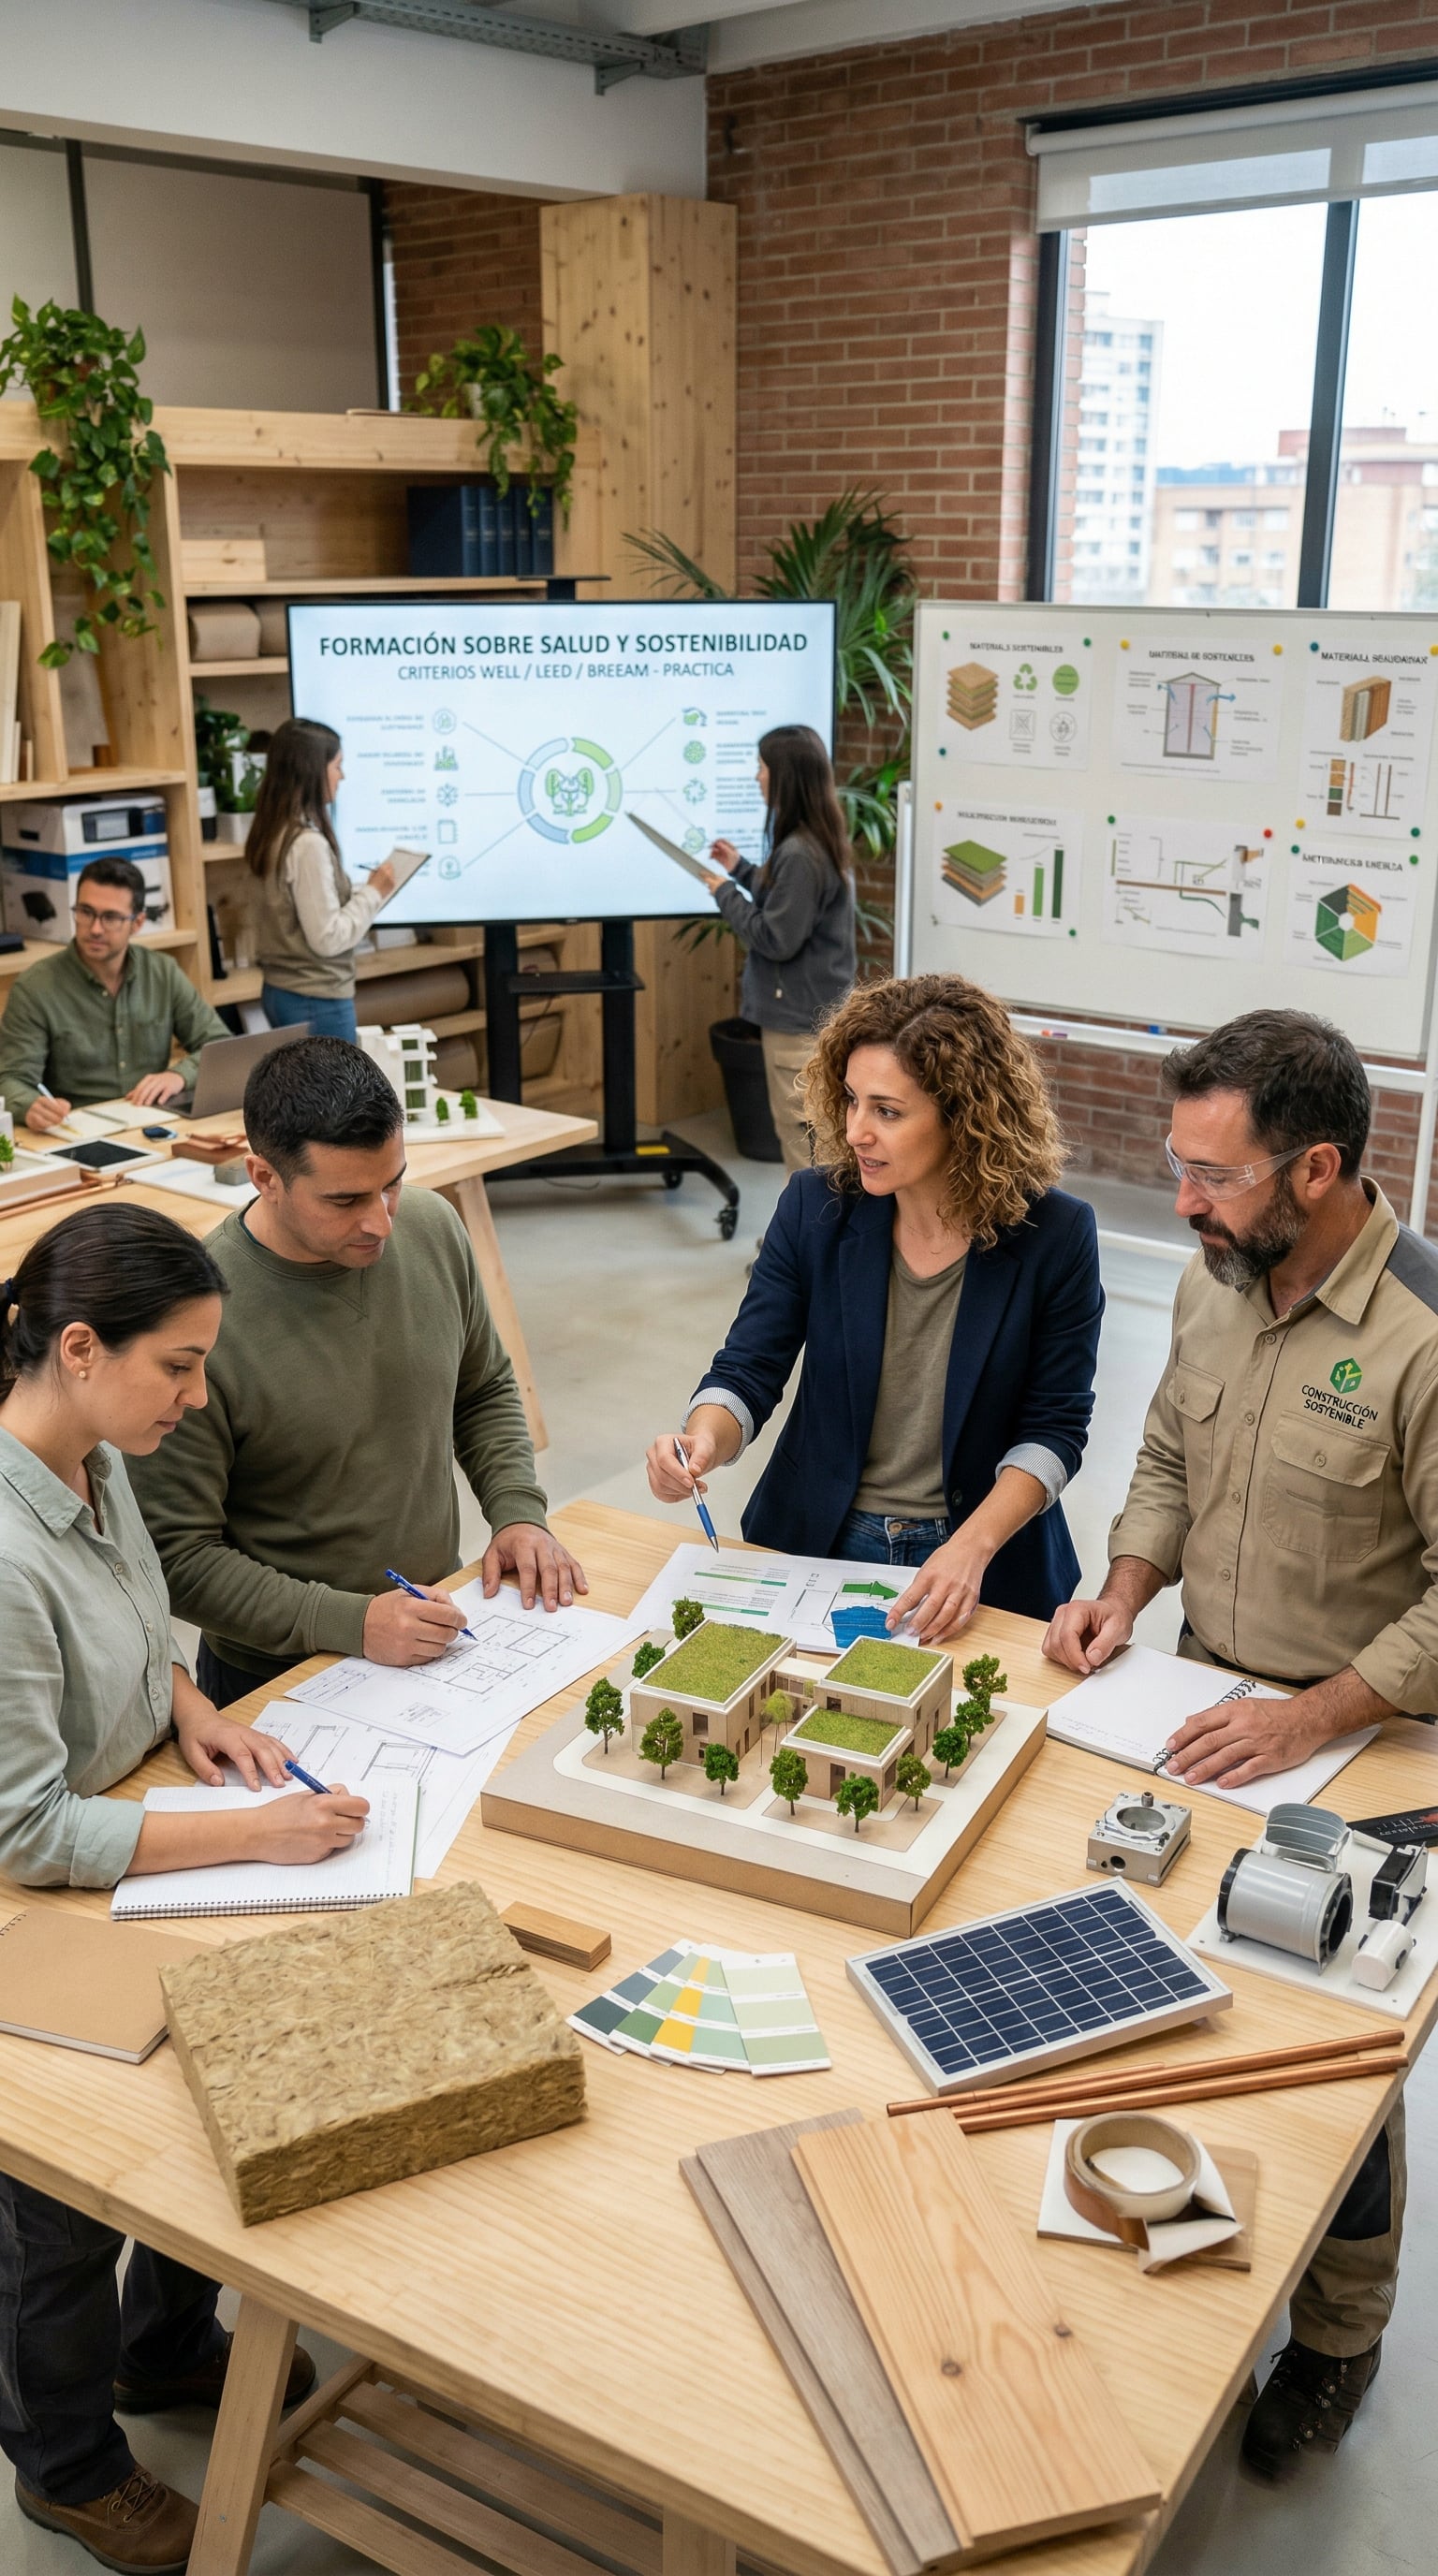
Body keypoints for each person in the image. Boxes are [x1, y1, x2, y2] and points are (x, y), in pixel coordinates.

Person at [1043, 1007, 1438, 2481]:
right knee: (1159, 1985)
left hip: (1372, 1749)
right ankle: (1177, 2238)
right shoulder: (1216, 1278)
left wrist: (1313, 1713)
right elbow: (1165, 1456)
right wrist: (1122, 1591)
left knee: (1331, 2051)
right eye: (1179, 1166)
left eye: (1214, 1175)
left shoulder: (1424, 1338)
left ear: (1316, 1170)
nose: (1185, 1201)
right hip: (1200, 1704)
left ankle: (1337, 2337)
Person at [0, 1203, 367, 2569]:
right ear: (79, 1348)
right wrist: (253, 1833)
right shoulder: (1, 1549)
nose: (199, 1398)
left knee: (215, 2098)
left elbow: (144, 1623)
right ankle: (66, 2466)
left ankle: (160, 2348)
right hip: (37, 1897)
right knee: (55, 2211)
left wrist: (190, 1705)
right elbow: (25, 1827)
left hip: (130, 1824)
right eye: (180, 1366)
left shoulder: (98, 1456)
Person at [645, 973, 1103, 1641]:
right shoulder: (813, 1206)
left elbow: (1054, 1428)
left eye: (887, 1111)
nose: (856, 1130)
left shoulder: (1056, 1234)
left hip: (985, 1555)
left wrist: (971, 1548)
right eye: (852, 1100)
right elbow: (748, 1367)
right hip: (817, 1539)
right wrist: (702, 1442)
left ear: (966, 1115)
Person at [130, 1033, 584, 1704]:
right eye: (345, 1201)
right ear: (264, 1178)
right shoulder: (198, 1319)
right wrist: (354, 1623)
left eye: (392, 1184)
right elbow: (177, 1557)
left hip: (437, 1625)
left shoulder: (433, 1227)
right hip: (279, 1674)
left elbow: (482, 1388)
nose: (381, 1222)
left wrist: (517, 1512)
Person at [701, 723, 857, 1172]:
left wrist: (724, 894)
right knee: (816, 1145)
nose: (757, 778)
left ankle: (806, 1223)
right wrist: (740, 869)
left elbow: (776, 938)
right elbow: (789, 903)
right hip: (810, 1014)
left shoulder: (800, 853)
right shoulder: (811, 841)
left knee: (804, 1149)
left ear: (785, 776)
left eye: (762, 768)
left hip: (796, 1025)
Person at [0, 856, 230, 1133]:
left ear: (138, 922)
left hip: (153, 1121)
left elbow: (222, 1046)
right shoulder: (35, 987)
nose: (95, 928)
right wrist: (30, 1106)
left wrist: (179, 1076)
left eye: (110, 917)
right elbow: (11, 1079)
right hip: (74, 1129)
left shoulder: (163, 972)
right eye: (86, 912)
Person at [245, 715, 397, 1042]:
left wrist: (366, 889)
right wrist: (374, 893)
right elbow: (327, 938)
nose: (342, 776)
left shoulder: (273, 831)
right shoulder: (307, 844)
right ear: (313, 770)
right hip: (316, 999)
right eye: (337, 766)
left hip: (284, 991)